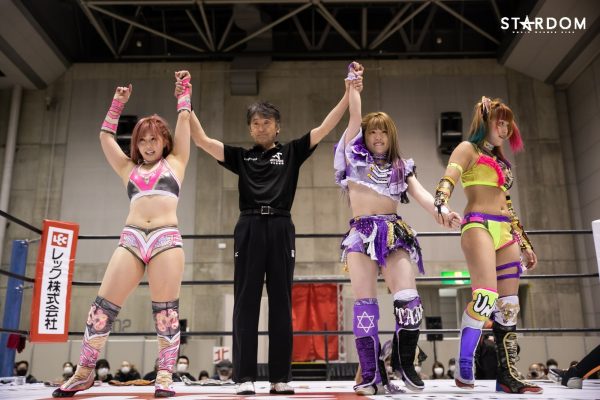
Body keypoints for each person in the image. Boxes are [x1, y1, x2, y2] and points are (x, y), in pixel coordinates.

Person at [179, 63, 353, 396]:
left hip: (281, 226)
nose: (261, 127)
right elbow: (201, 140)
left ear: (277, 126)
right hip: (248, 227)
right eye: (255, 123)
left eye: (266, 122)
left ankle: (280, 377)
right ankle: (244, 377)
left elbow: (326, 126)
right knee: (245, 301)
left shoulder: (292, 152)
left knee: (281, 302)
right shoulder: (241, 157)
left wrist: (348, 93)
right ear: (250, 129)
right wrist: (185, 99)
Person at [52, 71, 192, 398]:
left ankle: (165, 375)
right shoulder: (128, 168)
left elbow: (184, 119)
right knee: (101, 308)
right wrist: (117, 104)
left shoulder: (176, 162)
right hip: (131, 239)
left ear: (164, 141)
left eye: (153, 139)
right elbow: (105, 137)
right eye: (142, 140)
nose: (148, 145)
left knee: (166, 312)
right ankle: (84, 371)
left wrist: (183, 92)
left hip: (165, 239)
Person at [334, 62, 460, 396]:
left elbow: (421, 195)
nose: (378, 136)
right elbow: (353, 116)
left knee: (409, 299)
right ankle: (371, 374)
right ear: (365, 136)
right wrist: (354, 85)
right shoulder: (352, 157)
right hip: (361, 235)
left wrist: (443, 212)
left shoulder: (402, 167)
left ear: (391, 136)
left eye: (383, 132)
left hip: (393, 232)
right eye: (372, 132)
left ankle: (404, 363)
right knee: (364, 305)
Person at [433, 96, 542, 394]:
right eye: (499, 123)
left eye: (508, 124)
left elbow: (507, 204)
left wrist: (524, 243)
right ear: (485, 122)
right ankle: (464, 360)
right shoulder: (467, 148)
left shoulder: (500, 160)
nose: (505, 129)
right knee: (485, 298)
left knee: (509, 306)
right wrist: (441, 204)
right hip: (478, 224)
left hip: (505, 230)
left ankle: (508, 375)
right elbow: (449, 178)